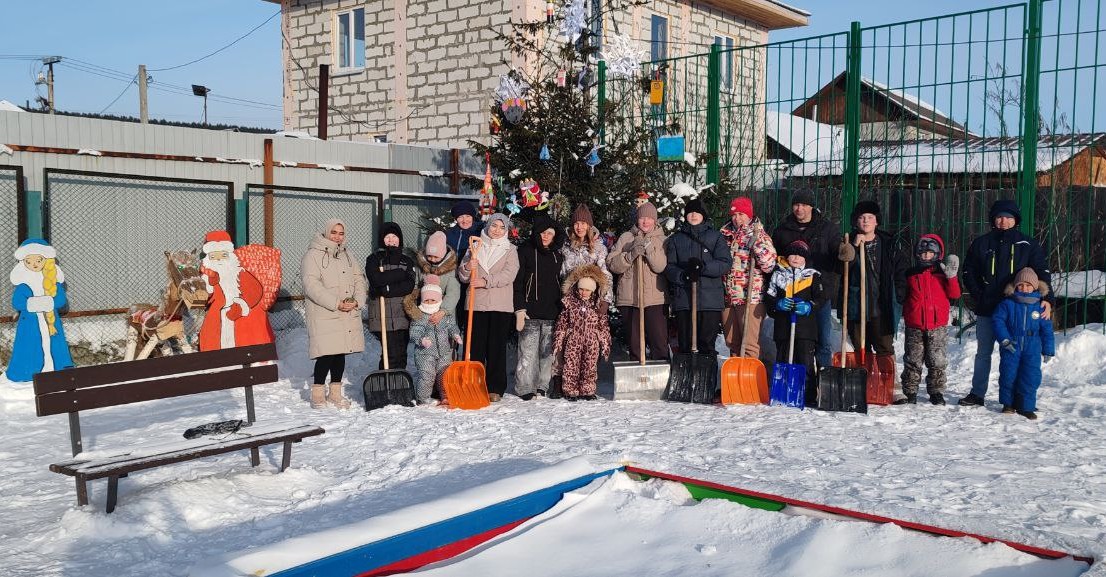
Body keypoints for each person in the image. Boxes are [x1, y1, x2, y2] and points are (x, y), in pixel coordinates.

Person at [960, 199, 1052, 407]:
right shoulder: (982, 243)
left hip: (1018, 311)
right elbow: (968, 271)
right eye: (1000, 217)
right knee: (983, 352)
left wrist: (1047, 299)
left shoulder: (1027, 245)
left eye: (1009, 217)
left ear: (1015, 220)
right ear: (993, 219)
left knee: (1015, 355)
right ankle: (977, 393)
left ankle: (1017, 398)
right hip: (988, 307)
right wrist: (978, 294)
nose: (1004, 221)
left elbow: (1042, 273)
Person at [771, 190, 842, 369]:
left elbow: (837, 258)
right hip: (790, 293)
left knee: (823, 341)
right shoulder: (782, 230)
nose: (799, 208)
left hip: (819, 292)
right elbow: (775, 261)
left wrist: (845, 254)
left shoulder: (827, 229)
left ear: (811, 206)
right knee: (794, 341)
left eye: (803, 205)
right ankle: (801, 382)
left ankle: (822, 385)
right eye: (796, 204)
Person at [301, 219, 367, 409]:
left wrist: (357, 300)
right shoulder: (312, 255)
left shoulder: (347, 254)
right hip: (325, 312)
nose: (337, 236)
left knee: (340, 354)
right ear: (326, 232)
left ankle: (335, 394)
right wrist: (335, 303)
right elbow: (311, 284)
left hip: (346, 311)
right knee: (326, 354)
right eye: (334, 232)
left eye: (341, 233)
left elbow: (358, 279)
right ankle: (318, 394)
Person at [457, 213, 519, 402]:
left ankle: (495, 387)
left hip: (500, 305)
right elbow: (463, 276)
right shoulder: (475, 246)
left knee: (496, 347)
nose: (497, 231)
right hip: (476, 304)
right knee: (475, 346)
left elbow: (509, 275)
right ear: (488, 226)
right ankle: (474, 383)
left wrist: (486, 281)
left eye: (502, 228)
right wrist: (468, 266)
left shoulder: (510, 249)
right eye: (494, 226)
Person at [837, 200, 907, 362]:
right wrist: (853, 248)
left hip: (882, 305)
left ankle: (885, 383)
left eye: (870, 217)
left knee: (884, 347)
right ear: (856, 221)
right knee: (860, 347)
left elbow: (900, 271)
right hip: (856, 305)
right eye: (862, 217)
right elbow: (841, 270)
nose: (866, 221)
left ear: (877, 221)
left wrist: (899, 294)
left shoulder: (889, 243)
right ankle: (865, 380)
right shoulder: (847, 243)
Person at [896, 234, 960, 406]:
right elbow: (903, 295)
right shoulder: (911, 274)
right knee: (912, 360)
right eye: (923, 253)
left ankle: (936, 391)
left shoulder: (942, 274)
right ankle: (910, 390)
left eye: (930, 253)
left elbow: (954, 295)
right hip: (914, 324)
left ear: (937, 254)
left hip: (937, 326)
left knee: (937, 361)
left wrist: (952, 277)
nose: (926, 256)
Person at [664, 198, 732, 356]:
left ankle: (706, 375)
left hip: (710, 300)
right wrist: (683, 275)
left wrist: (703, 267)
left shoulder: (715, 237)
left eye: (697, 212)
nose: (693, 215)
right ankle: (686, 376)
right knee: (685, 344)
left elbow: (725, 262)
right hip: (685, 301)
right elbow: (669, 266)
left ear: (704, 216)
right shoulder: (676, 239)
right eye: (690, 212)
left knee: (706, 343)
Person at [607, 201, 669, 360]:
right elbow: (612, 264)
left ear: (655, 220)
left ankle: (661, 378)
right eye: (642, 218)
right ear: (637, 219)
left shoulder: (663, 240)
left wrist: (647, 247)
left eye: (649, 218)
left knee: (659, 342)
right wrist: (630, 255)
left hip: (655, 299)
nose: (645, 222)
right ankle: (637, 378)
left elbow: (660, 266)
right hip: (630, 298)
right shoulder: (626, 237)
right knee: (634, 344)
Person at [765, 240, 824, 404]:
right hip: (784, 327)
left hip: (805, 328)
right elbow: (769, 298)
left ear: (805, 258)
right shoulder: (778, 275)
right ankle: (783, 393)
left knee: (805, 360)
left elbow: (821, 298)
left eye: (800, 255)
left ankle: (809, 395)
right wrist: (777, 304)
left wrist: (810, 306)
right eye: (793, 254)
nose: (796, 258)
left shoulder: (812, 276)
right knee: (783, 358)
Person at [6, 239, 73, 382]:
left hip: (51, 322)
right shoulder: (23, 284)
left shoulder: (52, 281)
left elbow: (60, 300)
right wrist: (35, 303)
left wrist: (48, 302)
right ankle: (26, 372)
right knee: (29, 346)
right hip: (29, 322)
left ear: (46, 259)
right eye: (28, 261)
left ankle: (57, 368)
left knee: (55, 345)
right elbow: (17, 302)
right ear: (23, 262)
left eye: (38, 260)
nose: (34, 264)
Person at [513, 213, 565, 399]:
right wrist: (519, 308)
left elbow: (562, 282)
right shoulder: (525, 250)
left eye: (549, 233)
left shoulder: (558, 255)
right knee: (527, 353)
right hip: (529, 313)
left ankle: (542, 385)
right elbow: (517, 282)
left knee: (547, 354)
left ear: (554, 235)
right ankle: (525, 387)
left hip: (552, 312)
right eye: (542, 233)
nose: (545, 236)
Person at [993, 268, 1055, 420]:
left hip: (1032, 347)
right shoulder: (1007, 303)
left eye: (1028, 285)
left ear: (1035, 286)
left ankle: (1026, 406)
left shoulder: (1040, 306)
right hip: (1011, 345)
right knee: (1008, 374)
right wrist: (1004, 339)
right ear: (1015, 286)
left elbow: (1047, 329)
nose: (1024, 288)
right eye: (1020, 285)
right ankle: (1008, 403)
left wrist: (1048, 349)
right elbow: (998, 321)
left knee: (1030, 376)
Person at [199, 230, 275, 351]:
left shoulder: (240, 273)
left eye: (223, 255)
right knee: (212, 334)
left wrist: (241, 306)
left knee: (248, 332)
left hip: (242, 314)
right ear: (208, 258)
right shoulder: (207, 277)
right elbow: (205, 298)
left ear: (230, 256)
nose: (219, 260)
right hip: (218, 315)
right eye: (214, 256)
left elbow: (255, 291)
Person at [720, 197, 777, 358]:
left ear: (749, 215)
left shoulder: (759, 234)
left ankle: (751, 379)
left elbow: (770, 265)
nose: (737, 218)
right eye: (734, 214)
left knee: (749, 343)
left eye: (741, 214)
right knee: (732, 342)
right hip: (728, 296)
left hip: (750, 297)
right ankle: (737, 379)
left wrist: (757, 245)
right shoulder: (724, 235)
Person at [553, 264, 611, 401]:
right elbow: (562, 323)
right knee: (571, 366)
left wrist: (605, 344)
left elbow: (603, 326)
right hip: (574, 339)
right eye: (581, 289)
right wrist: (558, 341)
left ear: (593, 291)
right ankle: (570, 390)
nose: (584, 292)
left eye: (587, 290)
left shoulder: (597, 305)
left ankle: (588, 390)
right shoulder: (570, 304)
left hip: (592, 340)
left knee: (589, 366)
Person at [365, 222, 416, 370]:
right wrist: (400, 274)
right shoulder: (374, 258)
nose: (391, 240)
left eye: (394, 236)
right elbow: (375, 279)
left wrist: (386, 289)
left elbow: (409, 285)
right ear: (382, 239)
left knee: (401, 354)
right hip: (382, 314)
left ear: (400, 239)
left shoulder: (407, 261)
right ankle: (386, 385)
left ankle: (399, 384)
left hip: (402, 313)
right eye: (387, 237)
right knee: (391, 354)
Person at [407, 277, 463, 405]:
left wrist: (455, 335)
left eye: (433, 300)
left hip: (444, 352)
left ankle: (446, 396)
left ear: (439, 300)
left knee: (445, 375)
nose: (430, 302)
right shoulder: (420, 315)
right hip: (425, 354)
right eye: (426, 300)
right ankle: (423, 398)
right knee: (427, 375)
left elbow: (451, 326)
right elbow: (414, 332)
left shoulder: (444, 315)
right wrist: (422, 340)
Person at [561, 204, 614, 313]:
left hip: (592, 300)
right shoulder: (566, 247)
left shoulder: (598, 247)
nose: (579, 227)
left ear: (589, 225)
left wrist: (605, 300)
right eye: (576, 223)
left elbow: (606, 274)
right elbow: (562, 273)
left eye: (583, 223)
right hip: (571, 300)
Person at [407, 231, 461, 328]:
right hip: (424, 311)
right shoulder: (421, 266)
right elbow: (415, 286)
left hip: (443, 314)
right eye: (429, 256)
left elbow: (453, 293)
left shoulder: (451, 269)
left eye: (436, 257)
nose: (432, 259)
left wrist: (442, 311)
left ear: (443, 254)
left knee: (443, 339)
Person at [445, 201, 484, 325]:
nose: (464, 220)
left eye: (468, 216)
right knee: (455, 314)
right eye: (460, 217)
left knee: (469, 315)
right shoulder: (449, 234)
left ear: (473, 216)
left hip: (473, 279)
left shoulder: (480, 231)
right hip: (454, 278)